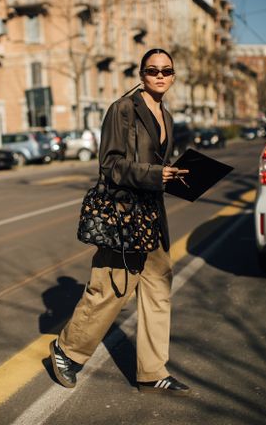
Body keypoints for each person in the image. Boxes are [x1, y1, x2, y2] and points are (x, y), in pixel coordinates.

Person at [50, 48, 191, 395]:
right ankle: (66, 351)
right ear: (141, 74)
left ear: (173, 76)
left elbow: (155, 164)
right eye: (152, 70)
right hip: (124, 217)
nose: (160, 75)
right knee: (111, 289)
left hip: (152, 217)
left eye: (167, 70)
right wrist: (156, 174)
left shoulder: (166, 116)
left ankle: (152, 370)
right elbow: (110, 165)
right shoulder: (123, 109)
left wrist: (177, 177)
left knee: (158, 288)